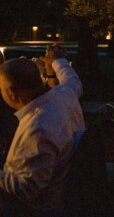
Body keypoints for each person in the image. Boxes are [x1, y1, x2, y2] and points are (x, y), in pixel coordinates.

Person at [0, 44, 84, 216]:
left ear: (12, 92)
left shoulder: (38, 128)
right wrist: (57, 61)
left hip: (29, 209)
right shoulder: (64, 95)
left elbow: (26, 190)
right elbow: (73, 81)